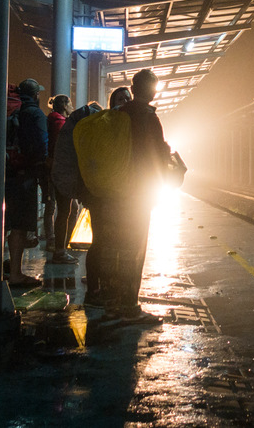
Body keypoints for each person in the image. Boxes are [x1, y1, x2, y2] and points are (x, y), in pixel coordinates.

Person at [85, 70, 169, 323]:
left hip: (114, 191)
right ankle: (129, 307)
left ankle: (112, 302)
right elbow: (156, 156)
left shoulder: (118, 114)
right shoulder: (148, 117)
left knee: (113, 247)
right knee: (134, 249)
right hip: (137, 193)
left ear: (133, 88)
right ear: (153, 91)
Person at [4, 78, 48, 287]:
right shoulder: (34, 113)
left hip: (4, 173)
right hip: (25, 175)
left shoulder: (9, 111)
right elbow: (41, 143)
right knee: (20, 226)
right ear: (35, 95)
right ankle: (15, 274)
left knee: (4, 224)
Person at [43, 94, 77, 264]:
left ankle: (58, 244)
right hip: (61, 172)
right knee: (65, 210)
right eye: (70, 103)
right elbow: (62, 148)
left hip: (53, 170)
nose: (72, 106)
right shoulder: (60, 123)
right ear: (65, 105)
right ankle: (60, 248)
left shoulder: (51, 120)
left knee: (56, 208)